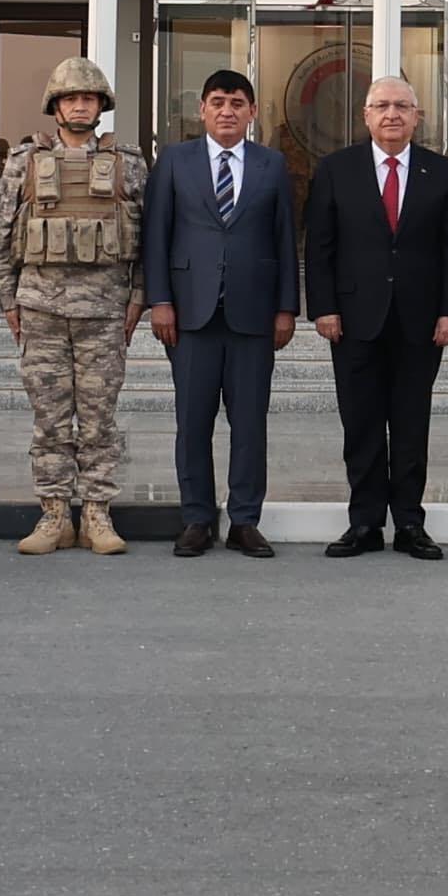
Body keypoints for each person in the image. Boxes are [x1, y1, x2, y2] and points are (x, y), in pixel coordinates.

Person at [304, 71, 448, 556]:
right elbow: (319, 246)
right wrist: (324, 307)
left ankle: (410, 524)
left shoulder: (441, 172)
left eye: (402, 106)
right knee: (361, 424)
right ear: (366, 116)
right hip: (354, 319)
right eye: (382, 106)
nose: (392, 114)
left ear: (417, 117)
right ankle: (365, 523)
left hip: (420, 321)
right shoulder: (336, 169)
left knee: (411, 423)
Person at [140, 67, 298, 557]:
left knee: (250, 424)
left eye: (237, 103)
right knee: (193, 423)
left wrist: (287, 307)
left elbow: (286, 238)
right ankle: (197, 518)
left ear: (252, 112)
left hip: (254, 314)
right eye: (217, 102)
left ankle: (245, 520)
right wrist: (159, 300)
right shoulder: (174, 160)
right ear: (202, 110)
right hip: (191, 314)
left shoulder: (272, 164)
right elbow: (157, 234)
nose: (227, 111)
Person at [0, 55, 148, 556]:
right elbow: (3, 235)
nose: (80, 106)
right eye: (70, 98)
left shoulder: (129, 163)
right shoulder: (24, 162)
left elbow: (147, 238)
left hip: (104, 312)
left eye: (88, 98)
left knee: (100, 420)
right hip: (41, 310)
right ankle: (55, 513)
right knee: (50, 420)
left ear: (101, 106)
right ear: (55, 106)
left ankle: (98, 513)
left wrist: (138, 298)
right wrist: (8, 300)